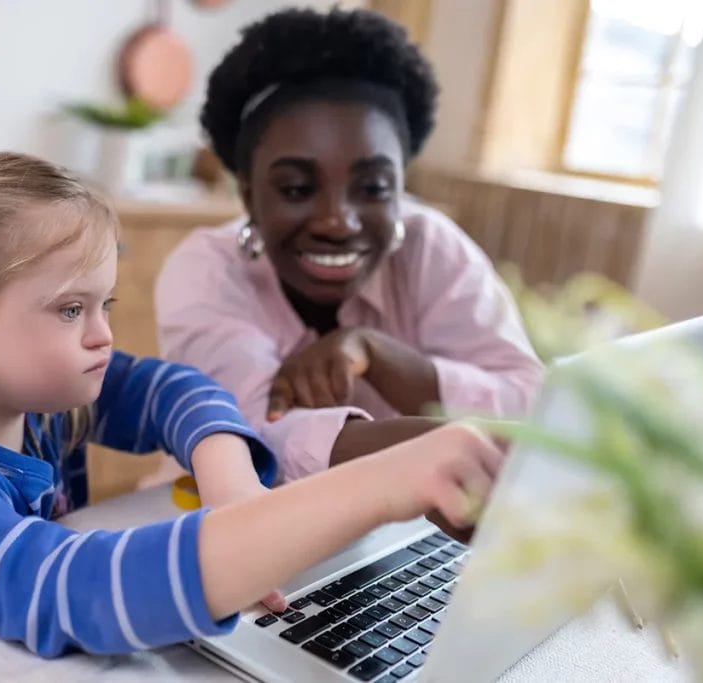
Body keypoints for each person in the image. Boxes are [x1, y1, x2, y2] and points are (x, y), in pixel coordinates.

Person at [0, 152, 505, 658]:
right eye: (70, 309)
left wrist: (230, 478)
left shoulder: (28, 396)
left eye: (104, 304)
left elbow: (171, 389)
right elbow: (79, 589)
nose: (103, 335)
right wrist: (380, 483)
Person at [156, 7, 543, 482]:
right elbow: (252, 439)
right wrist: (457, 447)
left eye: (374, 187)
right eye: (297, 188)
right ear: (249, 195)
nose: (337, 222)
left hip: (407, 527)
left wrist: (382, 357)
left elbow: (529, 399)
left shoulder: (431, 247)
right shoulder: (205, 271)